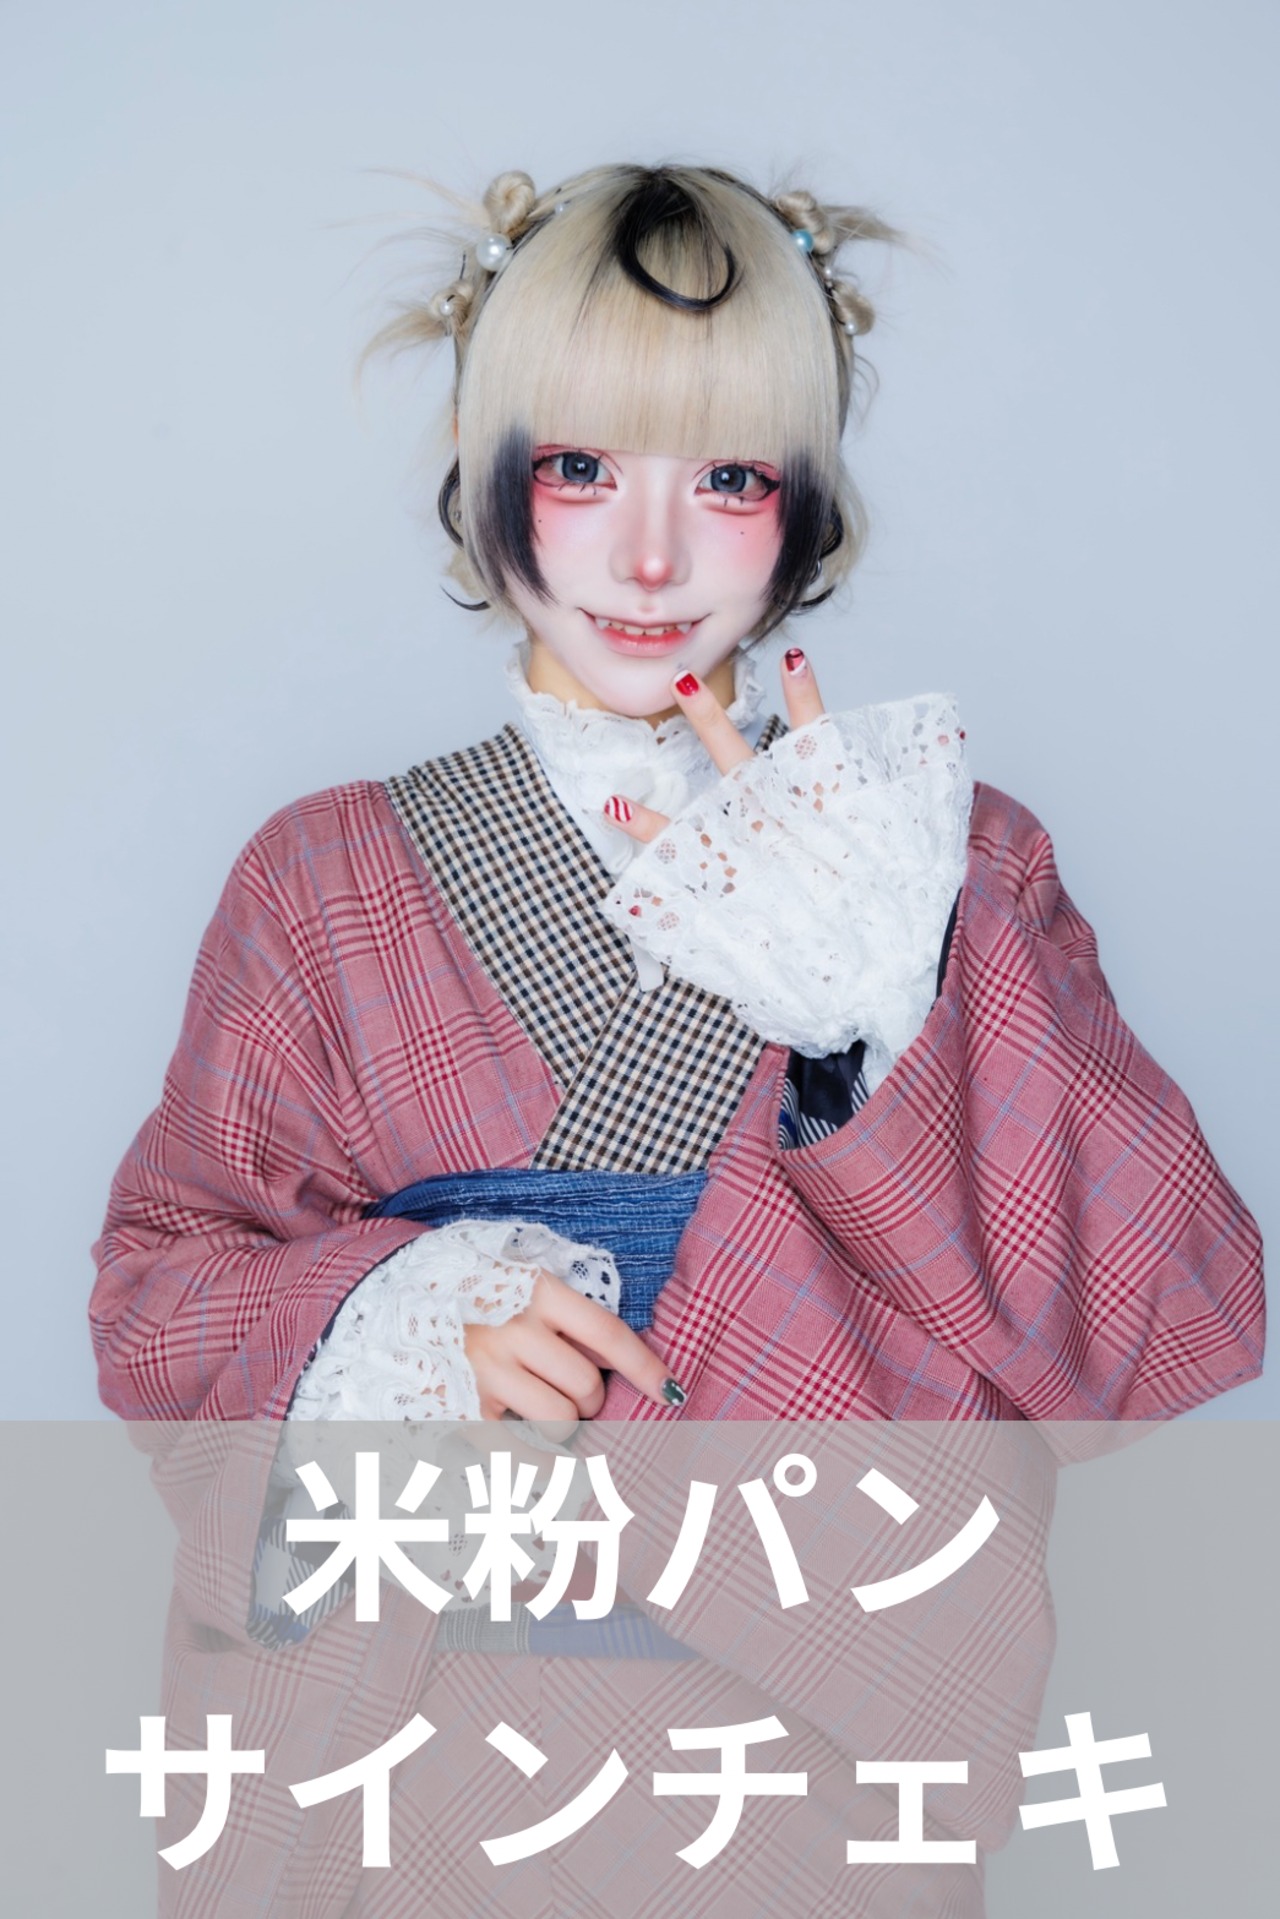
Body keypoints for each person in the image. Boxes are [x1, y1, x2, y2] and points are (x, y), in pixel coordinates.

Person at [90, 162, 1264, 1432]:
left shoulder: (943, 859)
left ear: (810, 495)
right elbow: (155, 1310)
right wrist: (411, 1323)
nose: (651, 558)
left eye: (730, 480)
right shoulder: (319, 875)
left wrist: (893, 1020)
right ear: (476, 456)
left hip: (840, 1553)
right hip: (469, 1563)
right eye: (578, 466)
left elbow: (1175, 1319)